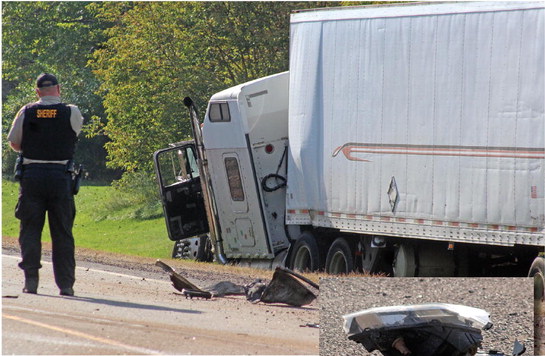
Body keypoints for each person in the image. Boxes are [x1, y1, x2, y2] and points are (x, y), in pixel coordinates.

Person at [7, 73, 84, 296]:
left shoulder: (27, 111)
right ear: (58, 89)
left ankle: (31, 280)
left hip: (33, 176)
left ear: (37, 91)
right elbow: (73, 134)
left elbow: (14, 143)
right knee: (62, 233)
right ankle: (66, 285)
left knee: (30, 231)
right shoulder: (72, 111)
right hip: (60, 176)